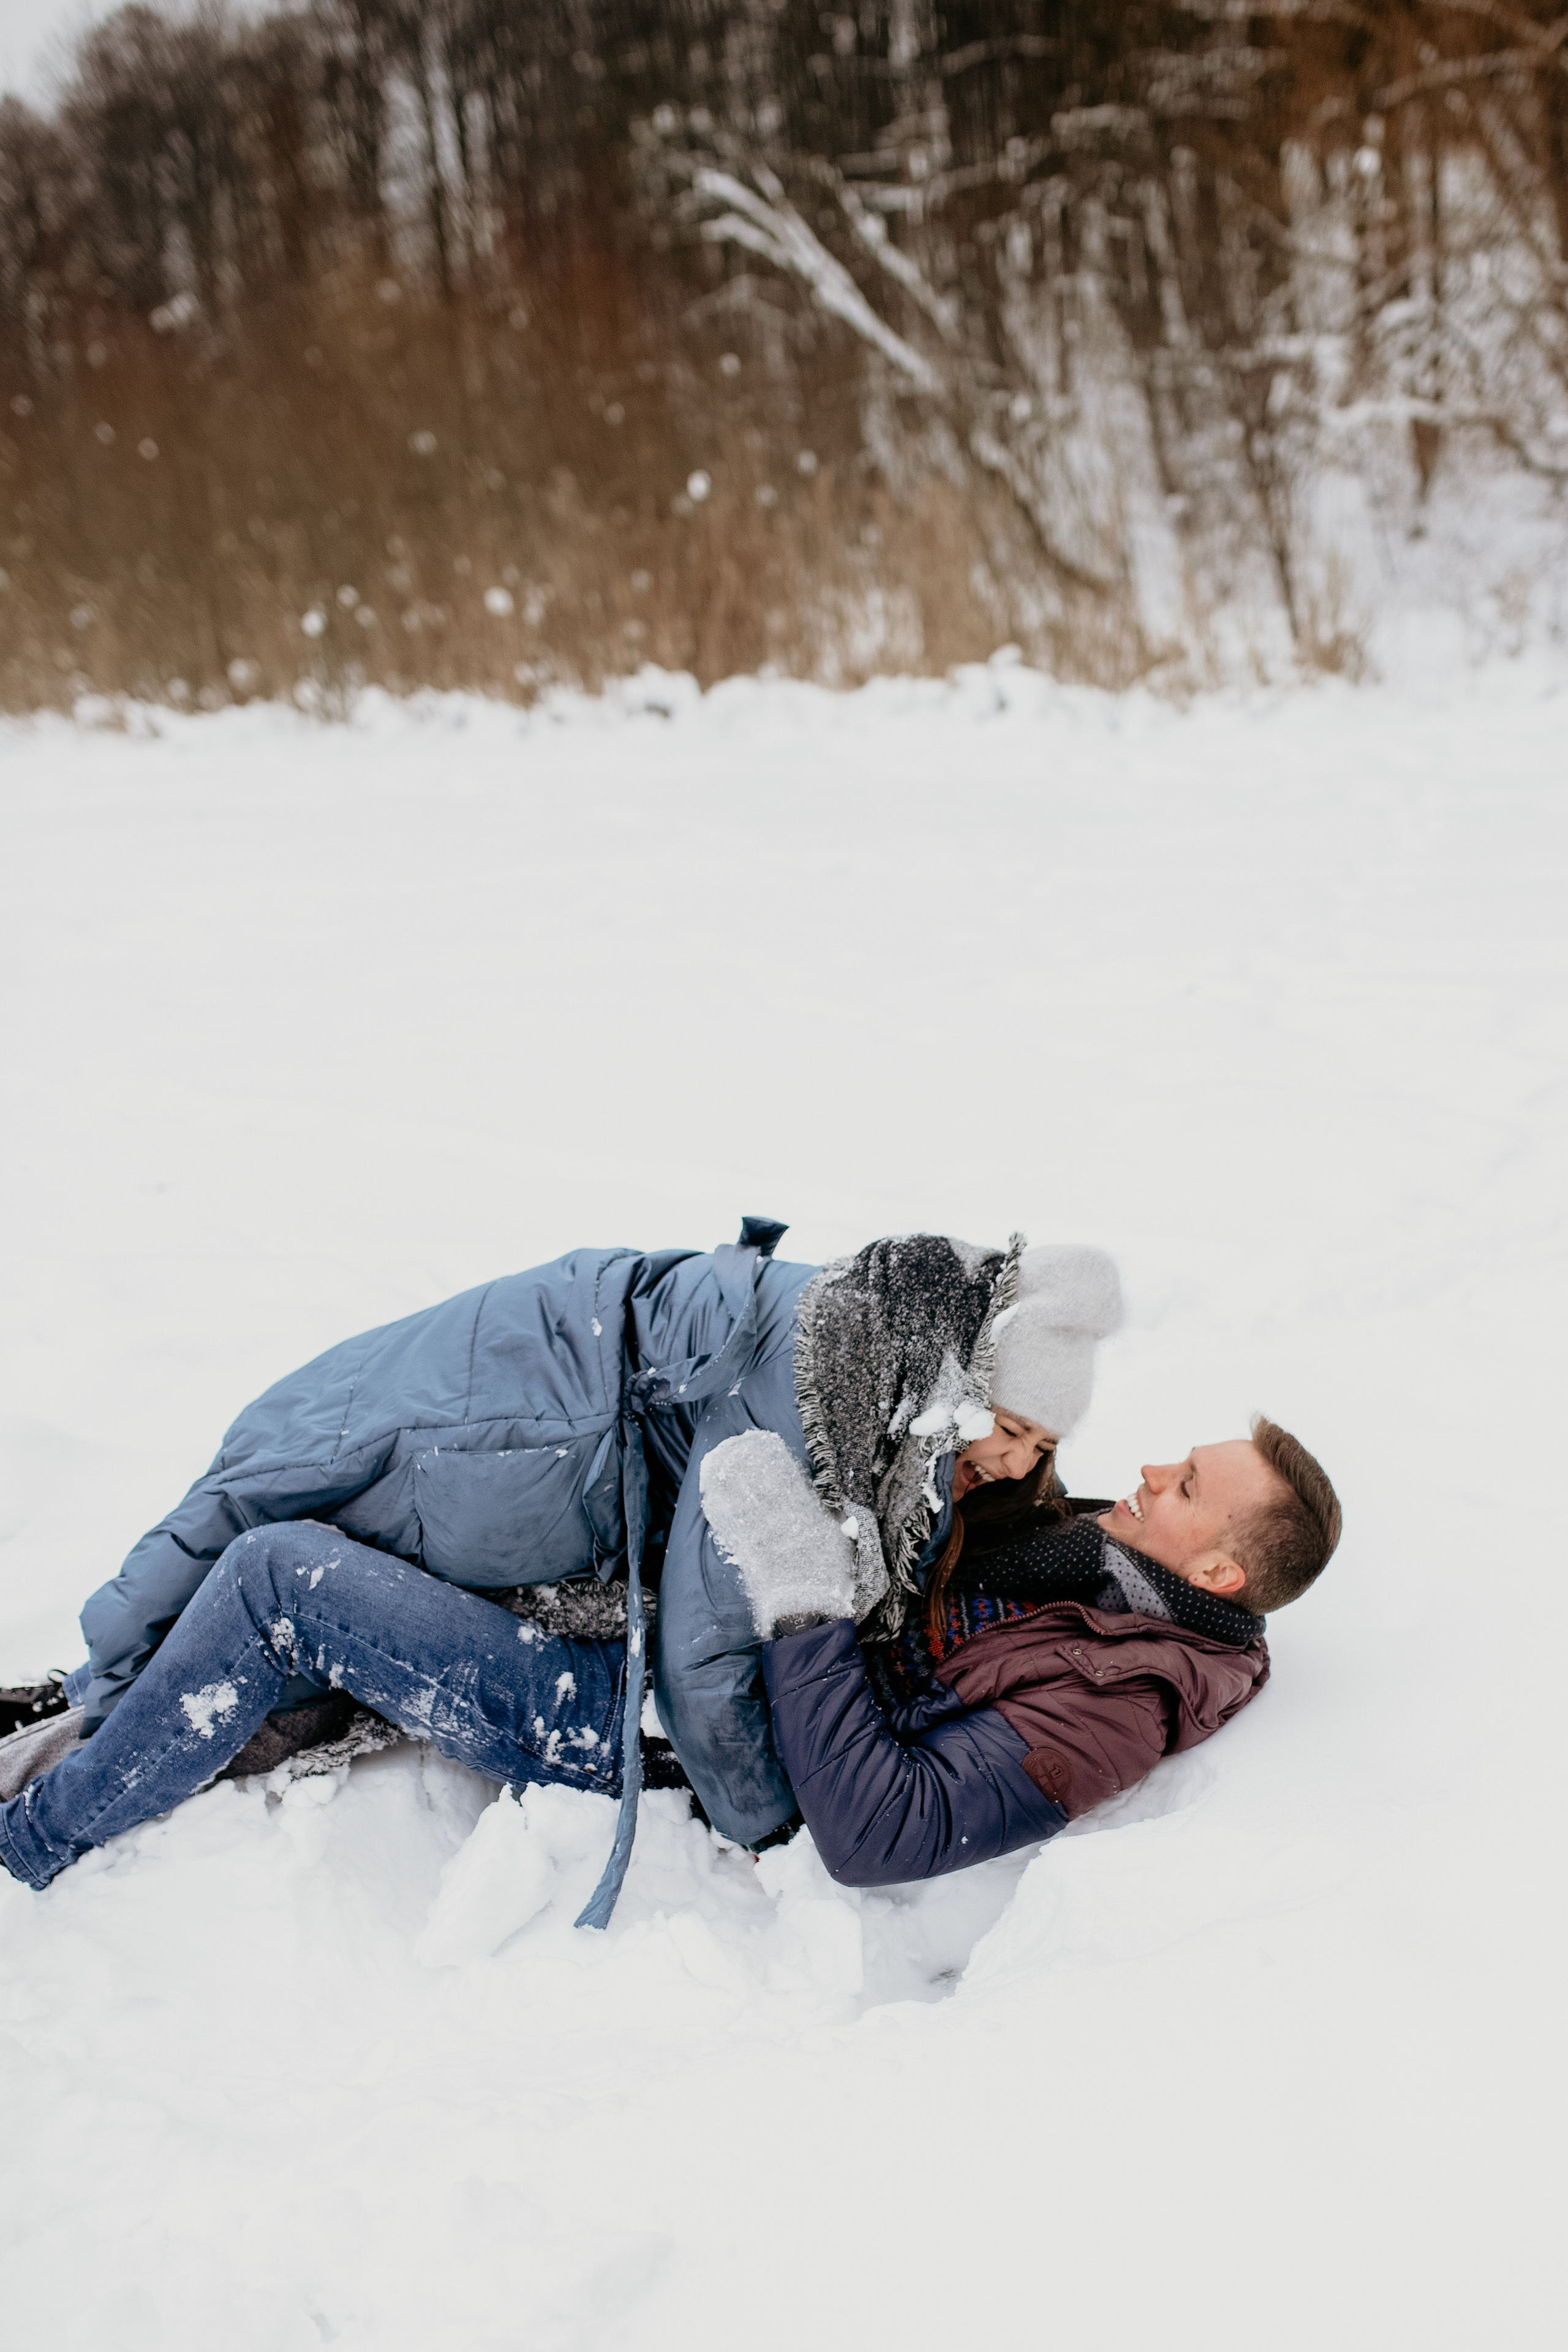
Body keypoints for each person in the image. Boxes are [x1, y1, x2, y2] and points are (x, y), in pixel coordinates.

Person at [0, 1221, 1340, 1913]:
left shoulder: (1118, 1698)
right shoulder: (1090, 1556)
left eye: (1186, 1484)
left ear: (1218, 1568)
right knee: (361, 1538)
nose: (1148, 1469)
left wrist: (805, 1603)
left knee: (286, 1579)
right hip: (651, 1625)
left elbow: (877, 1832)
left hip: (642, 1715)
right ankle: (84, 1710)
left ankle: (28, 1842)